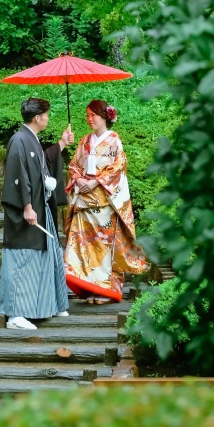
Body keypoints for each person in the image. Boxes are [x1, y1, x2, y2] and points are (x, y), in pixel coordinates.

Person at [64, 98, 149, 303]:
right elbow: (74, 165)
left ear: (104, 116)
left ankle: (107, 291)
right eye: (87, 115)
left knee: (103, 246)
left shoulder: (114, 141)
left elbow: (118, 167)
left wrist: (95, 182)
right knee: (83, 244)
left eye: (93, 115)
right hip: (84, 201)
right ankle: (90, 287)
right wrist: (79, 179)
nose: (89, 119)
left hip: (104, 202)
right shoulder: (85, 141)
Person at [0, 97, 72, 330]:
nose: (48, 118)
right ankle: (15, 314)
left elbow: (43, 162)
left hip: (41, 209)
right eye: (47, 115)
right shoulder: (19, 140)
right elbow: (17, 175)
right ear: (38, 117)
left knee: (47, 254)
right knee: (23, 259)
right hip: (27, 213)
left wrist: (61, 144)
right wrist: (27, 207)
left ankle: (47, 305)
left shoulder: (31, 140)